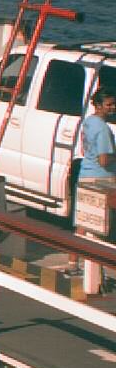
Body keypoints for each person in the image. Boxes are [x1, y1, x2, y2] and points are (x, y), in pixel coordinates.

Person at [68, 88, 116, 274]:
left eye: (114, 104)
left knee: (84, 223)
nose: (113, 108)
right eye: (109, 104)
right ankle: (98, 272)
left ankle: (73, 263)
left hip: (86, 175)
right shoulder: (103, 129)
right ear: (98, 105)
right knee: (101, 225)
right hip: (102, 180)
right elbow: (104, 160)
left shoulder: (89, 122)